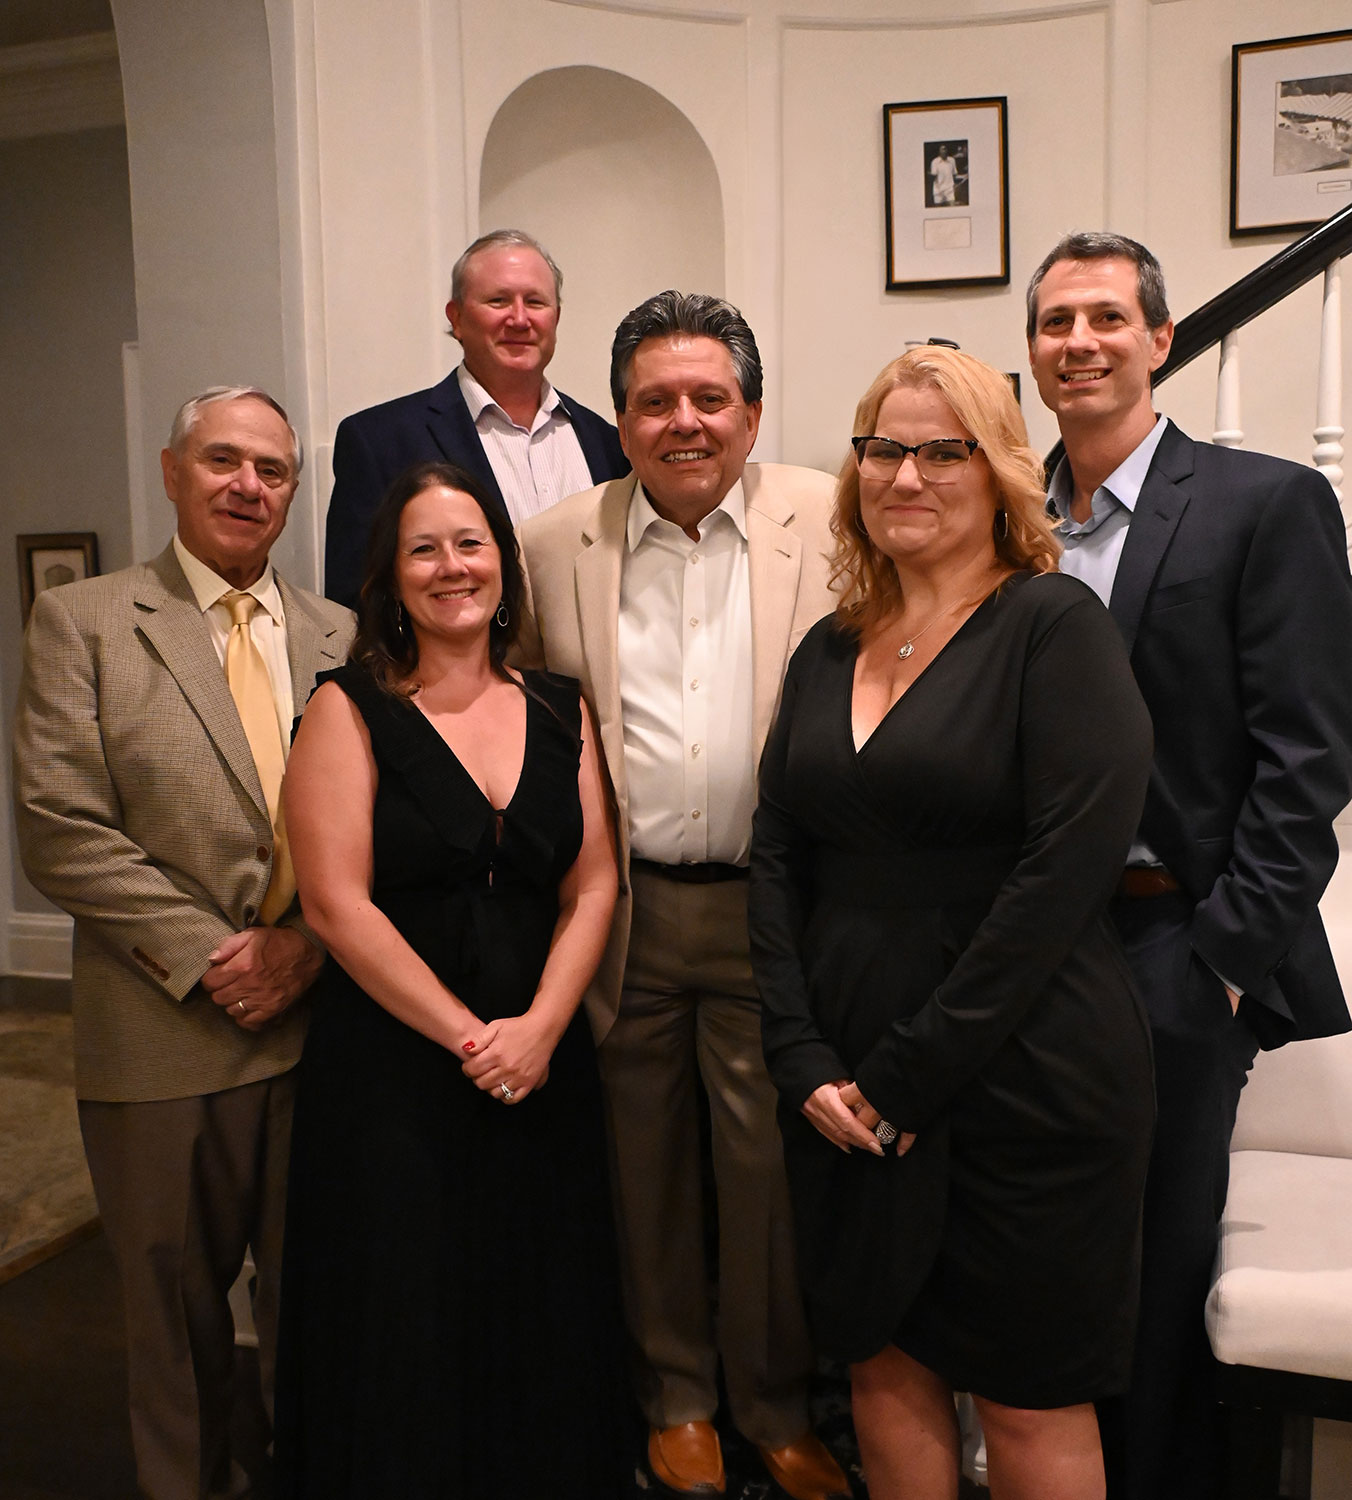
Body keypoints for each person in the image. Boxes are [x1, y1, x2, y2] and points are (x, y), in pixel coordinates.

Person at [748, 345, 1156, 1500]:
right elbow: (775, 854)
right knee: (882, 1368)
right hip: (842, 1086)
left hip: (1025, 1073)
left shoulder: (1053, 627)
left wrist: (907, 1075)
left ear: (998, 474)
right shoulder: (826, 647)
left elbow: (1060, 879)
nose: (904, 476)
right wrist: (798, 1053)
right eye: (882, 449)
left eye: (941, 452)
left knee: (1027, 1397)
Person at [1026, 231, 1352, 1499]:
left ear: (1160, 339)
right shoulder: (1003, 517)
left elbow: (1308, 758)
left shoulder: (1261, 503)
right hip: (1025, 947)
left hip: (1172, 943)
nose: (1079, 343)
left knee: (1155, 1269)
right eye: (1055, 321)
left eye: (1106, 318)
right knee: (1047, 1252)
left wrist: (1219, 960)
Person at [516, 291, 850, 1500]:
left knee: (767, 1174)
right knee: (638, 1165)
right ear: (617, 422)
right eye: (654, 401)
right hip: (624, 912)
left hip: (773, 910)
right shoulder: (553, 544)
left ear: (751, 414)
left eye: (710, 397)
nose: (684, 421)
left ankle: (773, 1407)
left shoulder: (829, 517)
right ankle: (675, 1402)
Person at [13, 386, 354, 1500]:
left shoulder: (341, 634)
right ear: (172, 472)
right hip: (161, 1029)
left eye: (272, 470)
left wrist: (305, 947)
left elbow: (383, 824)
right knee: (175, 1312)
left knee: (320, 1298)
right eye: (222, 461)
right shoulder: (85, 621)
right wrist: (220, 958)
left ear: (293, 491)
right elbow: (60, 829)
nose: (248, 486)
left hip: (321, 1029)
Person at [274, 461, 630, 1499]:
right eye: (422, 549)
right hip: (395, 1070)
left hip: (543, 1064)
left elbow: (594, 883)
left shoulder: (561, 706)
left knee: (542, 1298)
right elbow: (336, 906)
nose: (450, 567)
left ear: (503, 565)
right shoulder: (345, 708)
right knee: (406, 1314)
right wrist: (474, 1041)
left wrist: (541, 1029)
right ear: (390, 577)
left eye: (469, 543)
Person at [323, 228, 629, 607]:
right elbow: (354, 602)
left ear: (556, 318)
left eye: (535, 302)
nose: (520, 319)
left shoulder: (610, 444)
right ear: (457, 318)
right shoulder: (379, 442)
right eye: (498, 301)